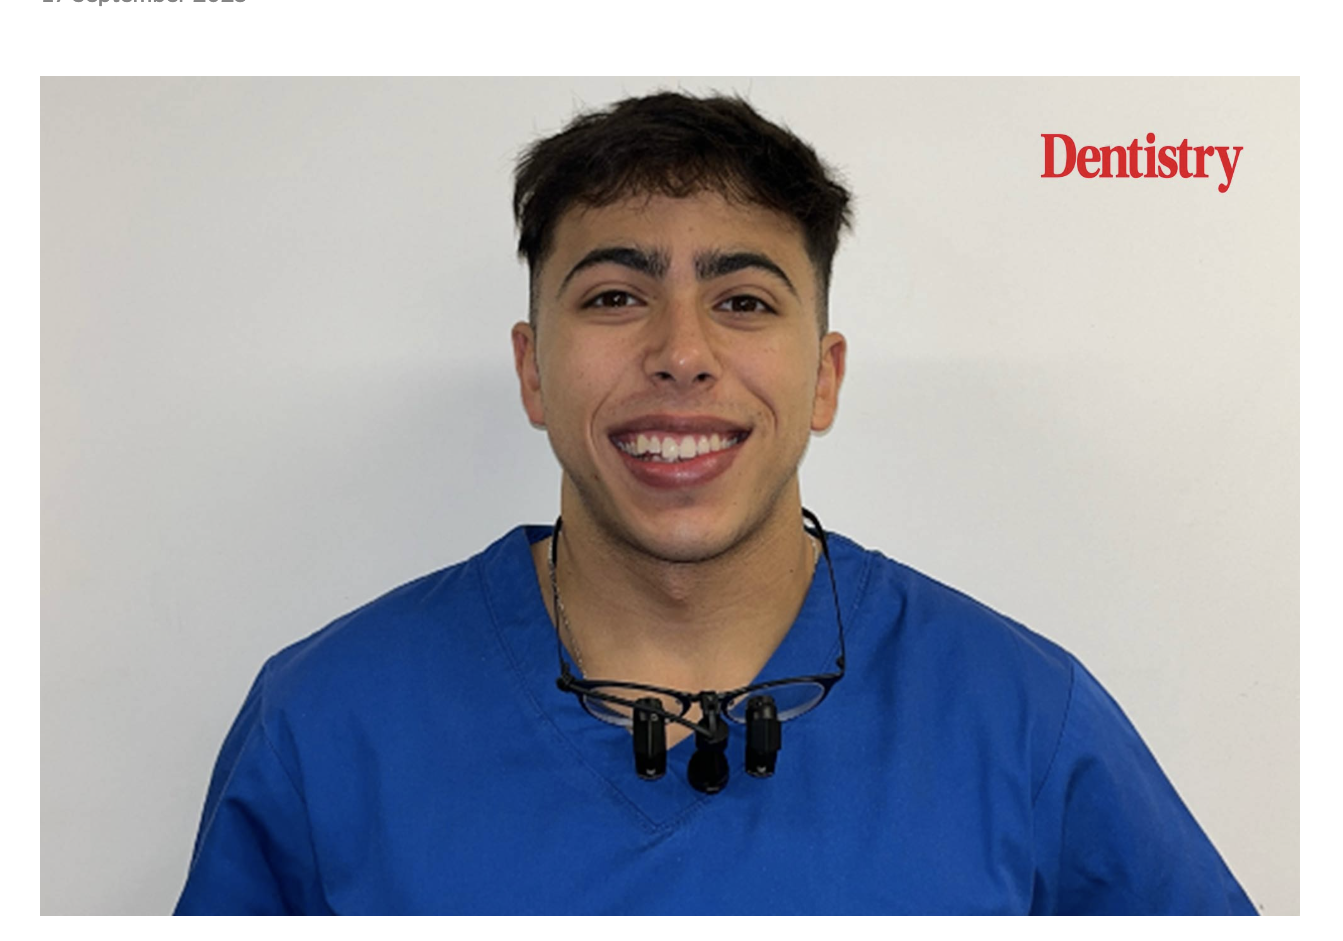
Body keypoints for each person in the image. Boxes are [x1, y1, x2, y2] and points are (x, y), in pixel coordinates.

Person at [175, 92, 1255, 914]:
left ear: (823, 376)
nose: (681, 352)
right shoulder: (325, 724)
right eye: (614, 296)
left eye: (741, 300)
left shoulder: (1022, 721)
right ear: (533, 370)